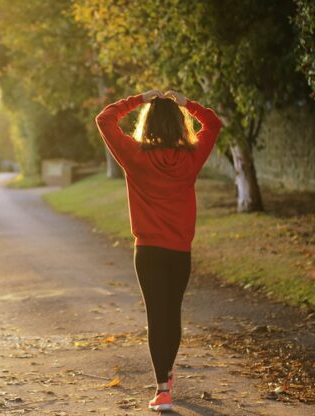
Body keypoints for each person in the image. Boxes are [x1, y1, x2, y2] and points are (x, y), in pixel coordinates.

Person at [95, 90, 223, 412]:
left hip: (148, 251)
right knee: (172, 313)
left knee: (157, 315)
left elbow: (104, 119)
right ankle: (166, 375)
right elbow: (213, 123)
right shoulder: (191, 157)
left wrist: (139, 99)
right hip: (179, 251)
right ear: (180, 125)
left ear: (147, 123)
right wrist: (186, 103)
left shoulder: (134, 155)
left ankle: (163, 389)